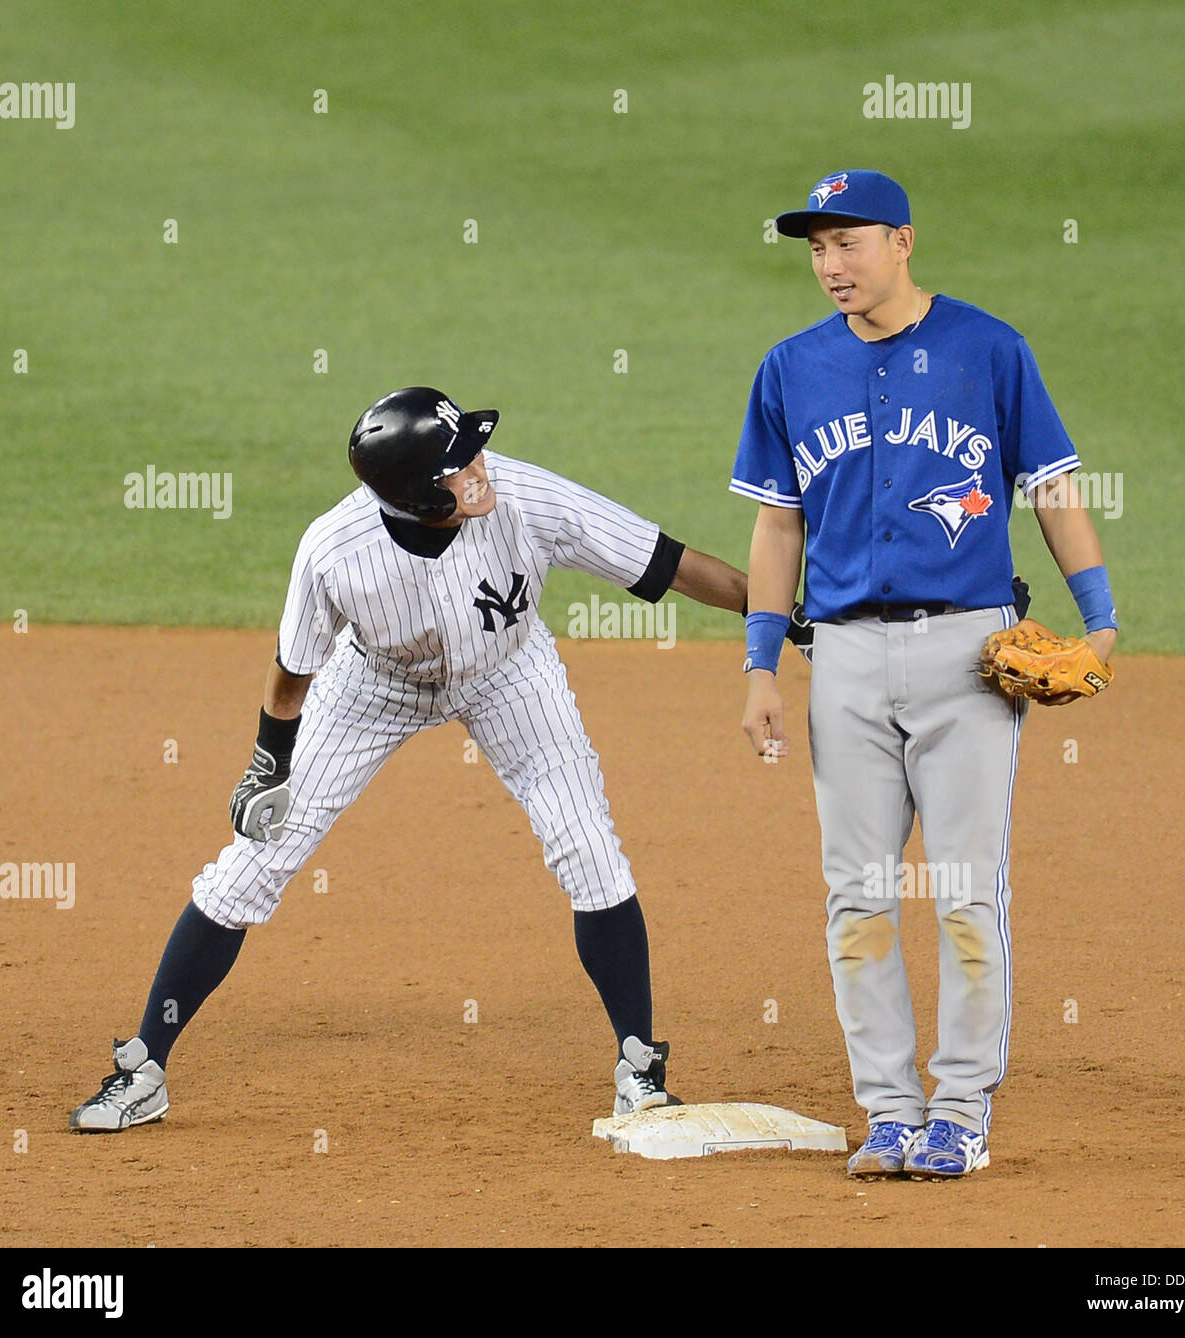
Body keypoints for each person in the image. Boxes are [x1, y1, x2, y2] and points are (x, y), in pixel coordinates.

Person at [71, 385, 794, 1132]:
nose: (480, 467)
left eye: (473, 448)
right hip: (372, 687)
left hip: (510, 673)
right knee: (254, 862)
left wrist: (776, 614)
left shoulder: (525, 497)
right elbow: (293, 669)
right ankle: (145, 1068)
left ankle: (639, 1068)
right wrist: (269, 763)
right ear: (420, 498)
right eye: (457, 466)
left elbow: (668, 563)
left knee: (588, 848)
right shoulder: (334, 551)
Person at [732, 171, 1117, 1179]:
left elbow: (1051, 487)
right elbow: (778, 525)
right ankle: (890, 1113)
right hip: (844, 658)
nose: (829, 266)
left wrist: (1103, 620)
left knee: (962, 891)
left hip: (969, 657)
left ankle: (959, 1112)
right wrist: (760, 662)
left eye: (846, 244)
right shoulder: (789, 369)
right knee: (855, 893)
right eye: (815, 250)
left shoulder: (990, 349)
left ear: (902, 242)